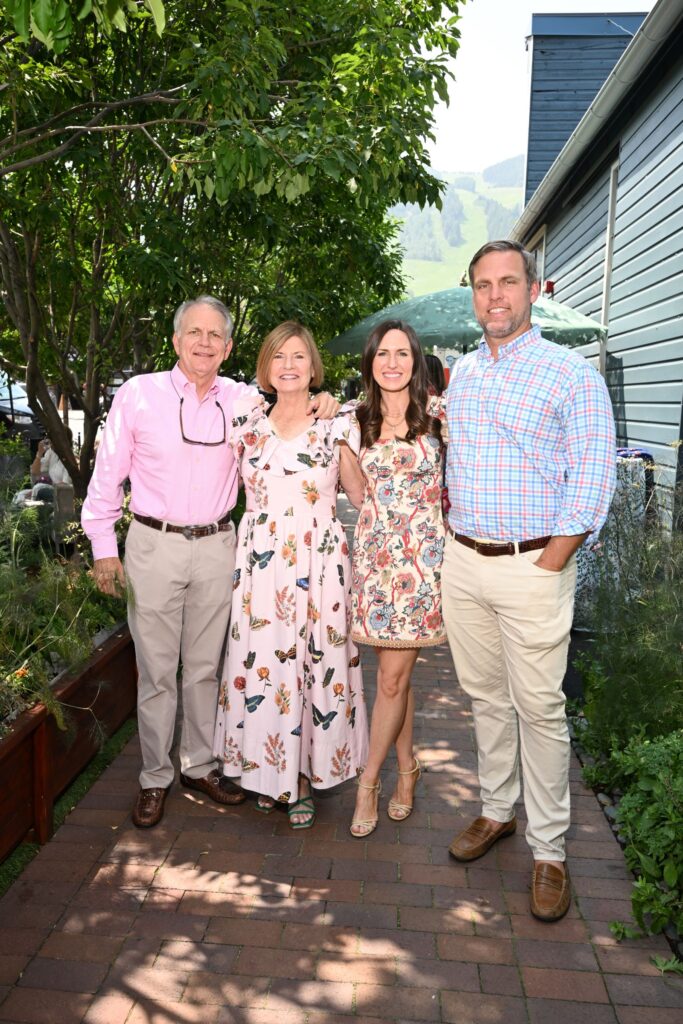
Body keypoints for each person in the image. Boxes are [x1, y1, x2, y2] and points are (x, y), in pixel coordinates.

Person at [81, 297, 338, 829]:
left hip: (220, 545)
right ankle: (155, 777)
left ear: (227, 346)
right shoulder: (138, 395)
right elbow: (106, 479)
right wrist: (104, 548)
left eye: (214, 335)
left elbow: (293, 402)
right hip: (154, 544)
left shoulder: (244, 401)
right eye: (193, 333)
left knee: (204, 668)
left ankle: (198, 765)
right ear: (176, 341)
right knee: (156, 673)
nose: (203, 342)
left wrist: (326, 400)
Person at [442, 241, 615, 922]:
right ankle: (495, 811)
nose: (494, 296)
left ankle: (549, 852)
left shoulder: (570, 375)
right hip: (464, 562)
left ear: (533, 289)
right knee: (484, 698)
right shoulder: (460, 374)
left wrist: (551, 560)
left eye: (506, 282)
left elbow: (593, 478)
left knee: (539, 709)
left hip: (532, 563)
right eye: (482, 285)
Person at [213, 322, 368, 828]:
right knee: (265, 666)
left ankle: (301, 777)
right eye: (279, 357)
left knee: (312, 663)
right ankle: (267, 772)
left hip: (319, 564)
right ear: (266, 366)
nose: (288, 366)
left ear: (312, 365)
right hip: (260, 567)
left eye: (298, 356)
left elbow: (360, 495)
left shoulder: (338, 422)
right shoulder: (247, 422)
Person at [340, 320, 447, 838]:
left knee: (389, 681)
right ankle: (408, 770)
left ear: (416, 361)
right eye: (384, 353)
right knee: (393, 682)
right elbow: (357, 496)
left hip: (423, 568)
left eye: (402, 354)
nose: (392, 363)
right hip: (377, 568)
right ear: (371, 362)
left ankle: (369, 782)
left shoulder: (441, 418)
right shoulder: (352, 422)